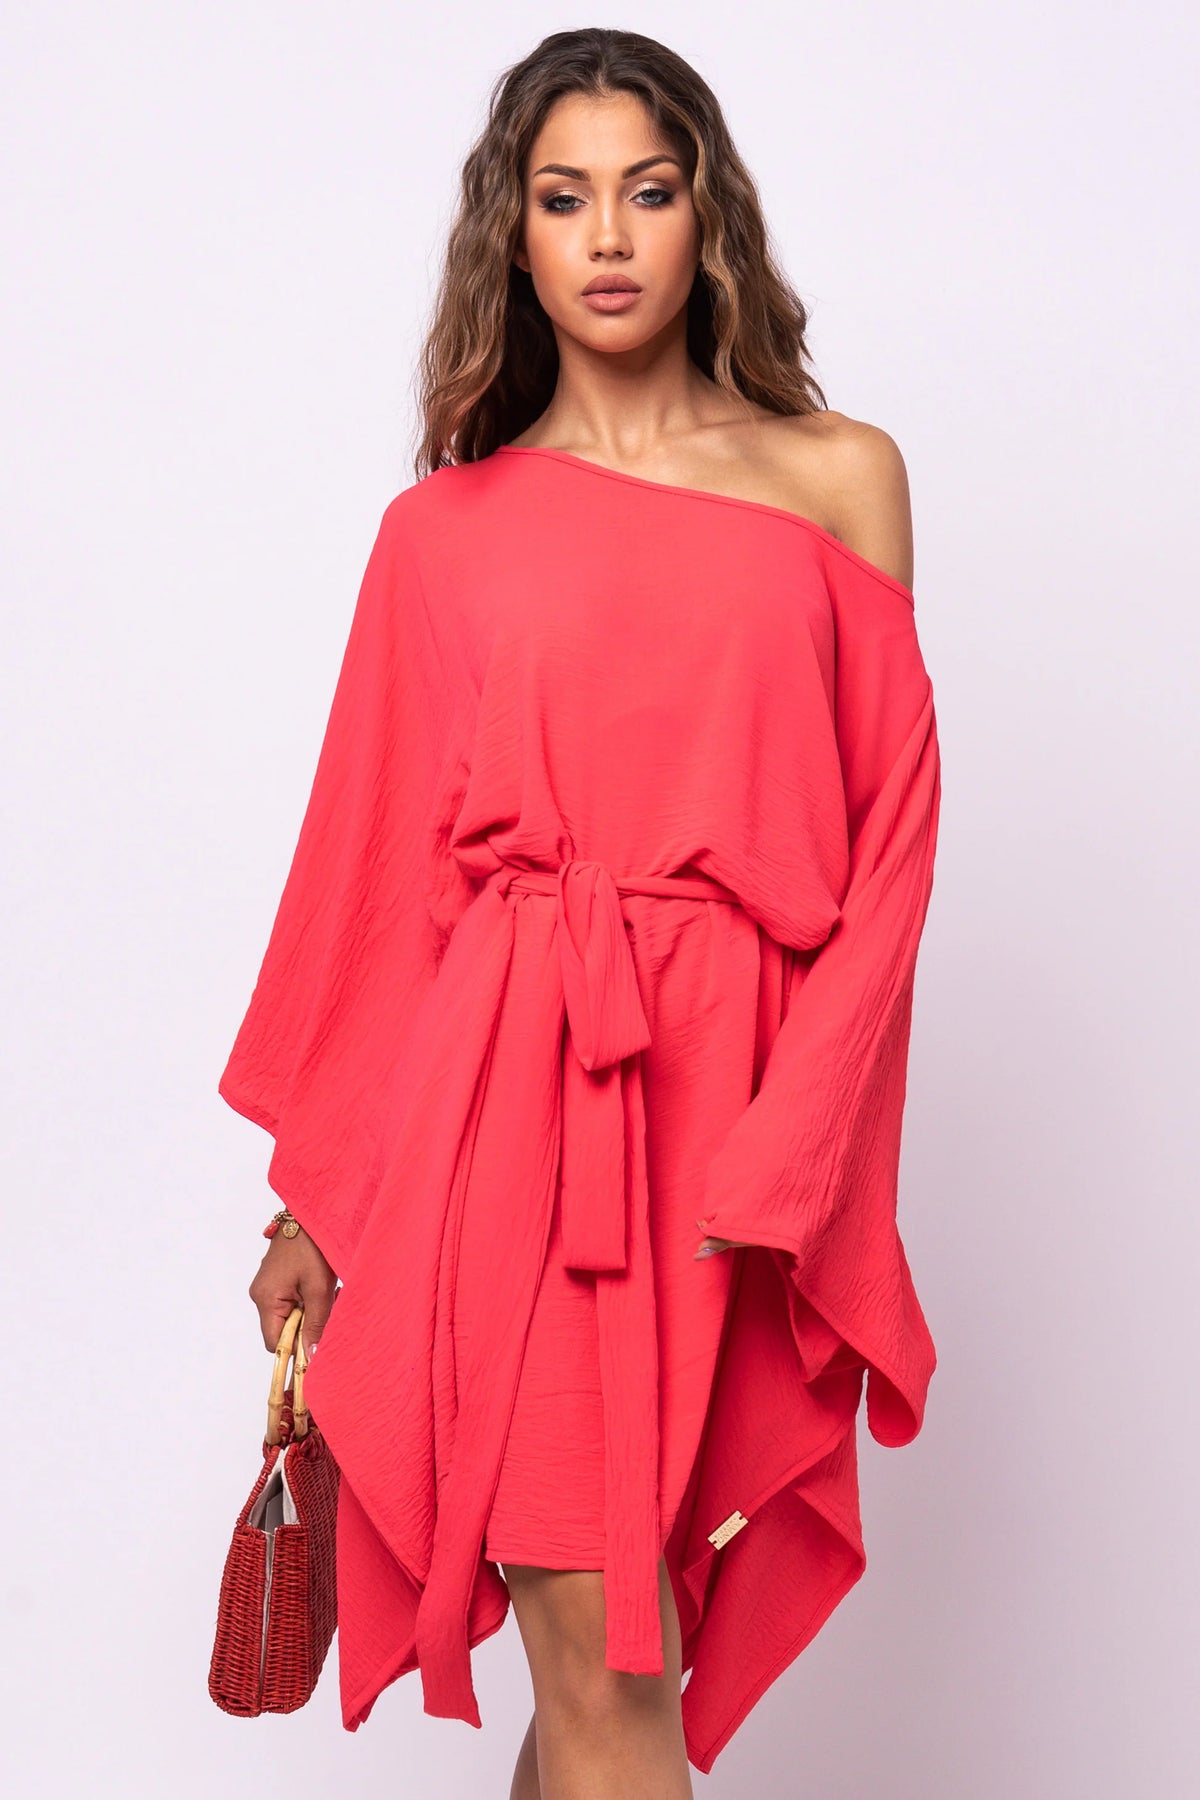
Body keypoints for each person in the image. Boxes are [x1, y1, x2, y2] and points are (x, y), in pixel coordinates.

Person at [225, 26, 942, 1800]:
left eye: (648, 190)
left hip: (737, 1120)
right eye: (564, 198)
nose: (609, 235)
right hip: (512, 1129)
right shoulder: (441, 538)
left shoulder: (838, 477)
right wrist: (320, 1204)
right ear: (516, 236)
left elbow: (890, 860)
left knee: (623, 1661)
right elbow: (377, 880)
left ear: (710, 218)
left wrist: (793, 1160)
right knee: (606, 1651)